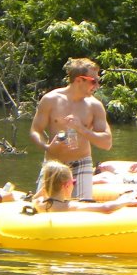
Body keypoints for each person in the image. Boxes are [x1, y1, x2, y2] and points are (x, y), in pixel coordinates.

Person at [30, 57, 112, 201]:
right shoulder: (51, 100)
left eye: (98, 80)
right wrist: (47, 147)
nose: (97, 85)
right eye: (94, 81)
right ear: (79, 80)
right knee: (43, 206)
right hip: (53, 163)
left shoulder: (94, 106)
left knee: (81, 209)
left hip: (81, 163)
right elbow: (36, 130)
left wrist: (82, 129)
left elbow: (107, 143)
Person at [33, 161, 137, 213]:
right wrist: (123, 201)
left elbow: (35, 197)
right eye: (73, 182)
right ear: (67, 185)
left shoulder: (39, 203)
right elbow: (106, 208)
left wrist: (46, 187)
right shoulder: (70, 206)